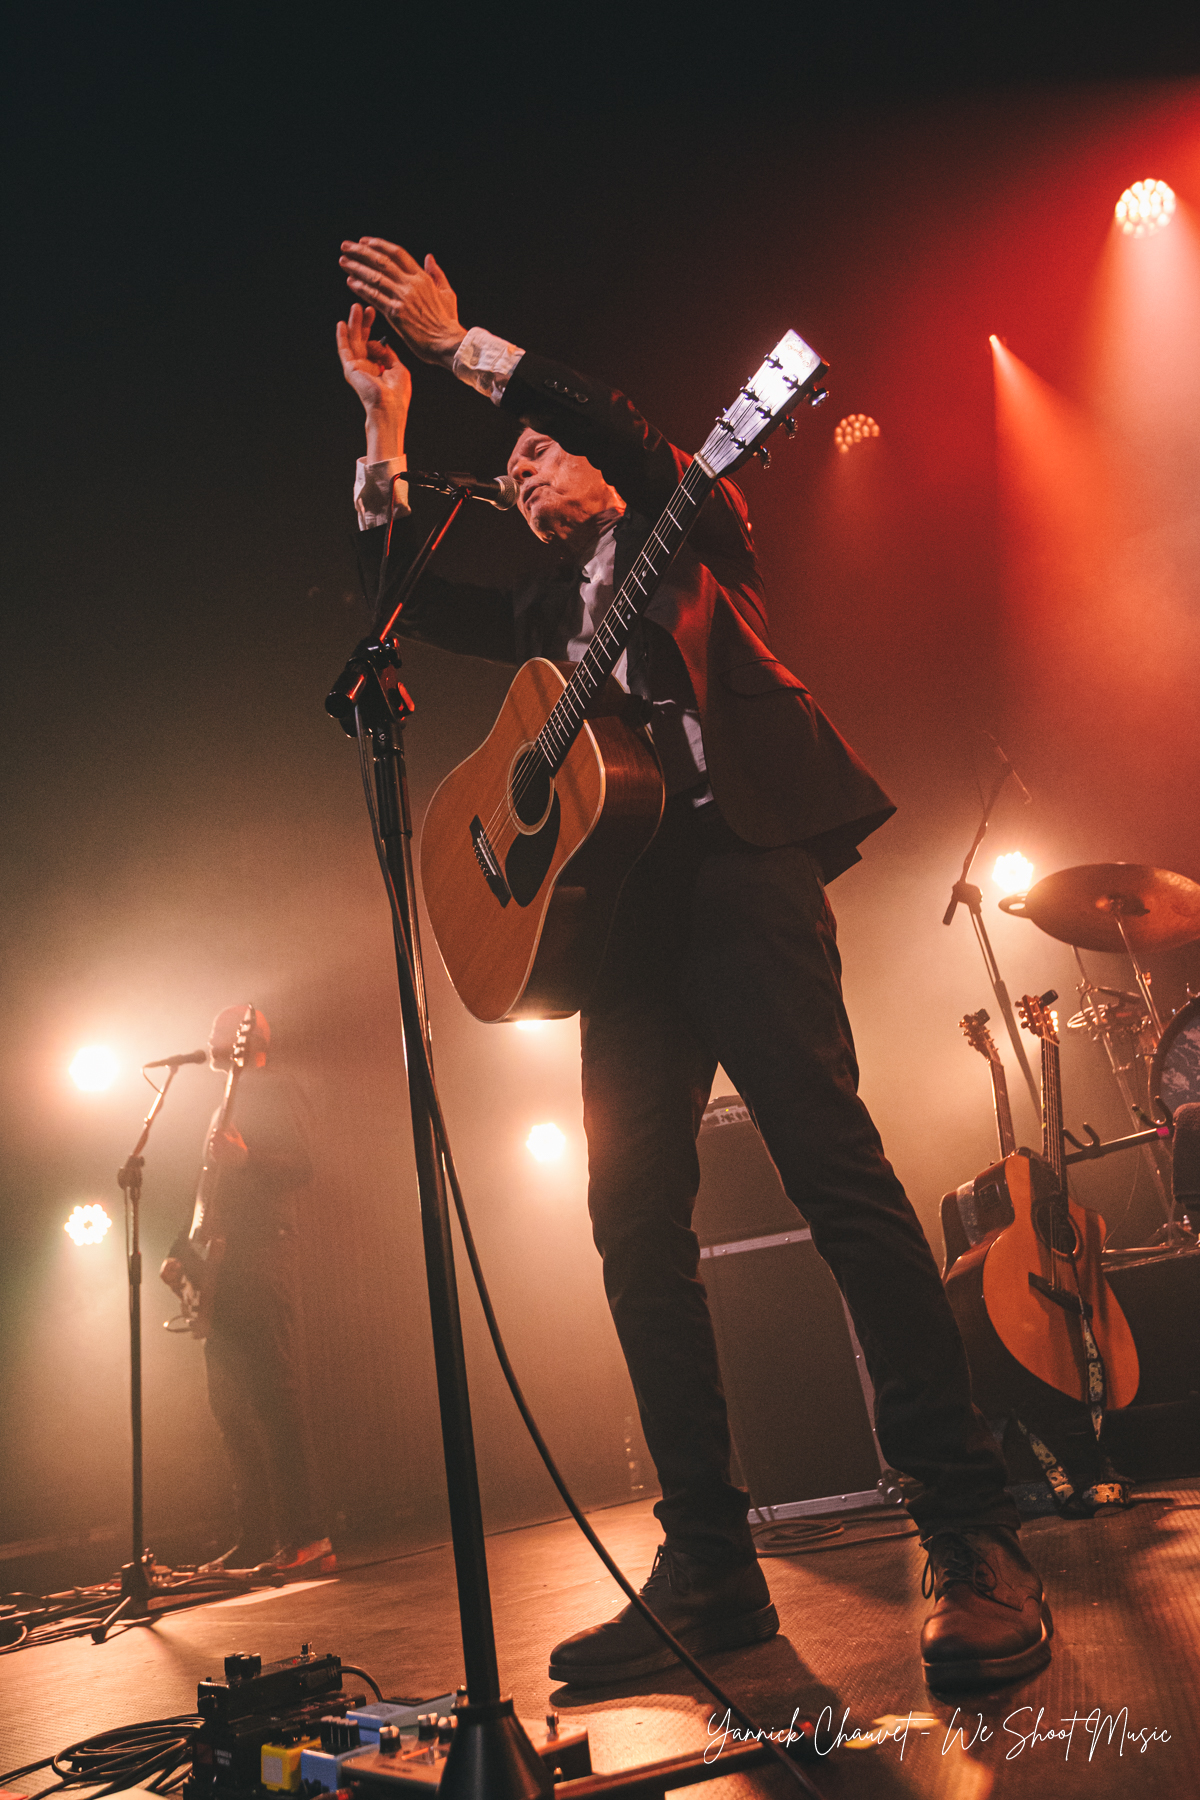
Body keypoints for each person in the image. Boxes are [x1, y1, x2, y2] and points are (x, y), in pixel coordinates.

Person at [335, 235, 1052, 1690]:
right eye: (514, 462)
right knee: (631, 1231)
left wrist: (466, 350)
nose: (527, 470)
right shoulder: (545, 618)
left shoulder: (692, 509)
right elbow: (398, 596)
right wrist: (388, 429)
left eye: (544, 454)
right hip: (620, 931)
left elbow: (604, 418)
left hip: (740, 875)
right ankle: (714, 1571)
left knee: (836, 1180)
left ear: (605, 466)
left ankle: (968, 1529)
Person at [160, 1006, 332, 1575]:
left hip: (261, 1254)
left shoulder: (277, 1089)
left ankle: (308, 1537)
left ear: (247, 1040)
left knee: (274, 1398)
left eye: (217, 1031)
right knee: (229, 1407)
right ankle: (256, 1539)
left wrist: (249, 1157)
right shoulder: (222, 1104)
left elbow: (305, 1167)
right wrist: (180, 1252)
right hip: (222, 1266)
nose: (207, 1039)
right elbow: (209, 1189)